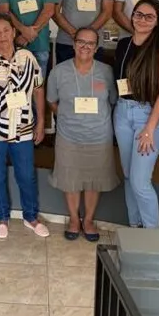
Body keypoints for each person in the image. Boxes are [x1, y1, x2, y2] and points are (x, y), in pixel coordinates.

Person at [0, 14, 49, 239]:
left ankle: (31, 216)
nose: (2, 36)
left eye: (6, 30)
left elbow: (38, 89)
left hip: (24, 129)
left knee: (26, 175)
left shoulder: (28, 57)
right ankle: (2, 217)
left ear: (14, 32)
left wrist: (42, 121)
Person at [47, 27, 119, 241]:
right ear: (73, 44)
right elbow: (51, 101)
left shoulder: (106, 71)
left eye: (90, 43)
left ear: (96, 48)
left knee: (93, 180)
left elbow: (113, 100)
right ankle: (73, 219)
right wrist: (67, 116)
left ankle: (88, 219)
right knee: (71, 179)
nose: (85, 46)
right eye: (81, 42)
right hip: (69, 136)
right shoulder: (58, 71)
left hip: (99, 136)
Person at [112, 0, 159, 229]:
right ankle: (135, 227)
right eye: (138, 14)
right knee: (128, 176)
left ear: (158, 21)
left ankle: (152, 237)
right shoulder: (123, 44)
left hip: (148, 116)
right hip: (122, 112)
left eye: (149, 16)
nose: (142, 20)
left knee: (140, 181)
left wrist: (149, 128)